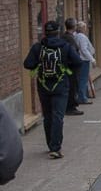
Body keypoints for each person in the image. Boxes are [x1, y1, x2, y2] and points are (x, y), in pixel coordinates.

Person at [23, 20, 83, 159]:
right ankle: (55, 148)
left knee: (48, 115)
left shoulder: (38, 47)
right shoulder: (66, 46)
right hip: (61, 85)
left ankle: (50, 144)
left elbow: (28, 64)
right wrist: (67, 69)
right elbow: (78, 62)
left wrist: (39, 65)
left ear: (45, 32)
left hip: (43, 86)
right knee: (58, 116)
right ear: (58, 32)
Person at [62, 18, 85, 114]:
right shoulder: (69, 38)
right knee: (72, 87)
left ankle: (70, 106)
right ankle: (71, 108)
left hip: (69, 67)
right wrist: (78, 62)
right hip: (71, 68)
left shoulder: (66, 37)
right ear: (74, 27)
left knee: (71, 87)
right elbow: (73, 53)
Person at [73, 21, 96, 104]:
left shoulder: (76, 36)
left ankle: (83, 95)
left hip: (81, 60)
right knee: (83, 79)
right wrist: (92, 59)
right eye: (85, 27)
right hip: (84, 60)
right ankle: (82, 98)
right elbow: (84, 49)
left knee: (81, 79)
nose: (86, 29)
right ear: (82, 28)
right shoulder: (82, 37)